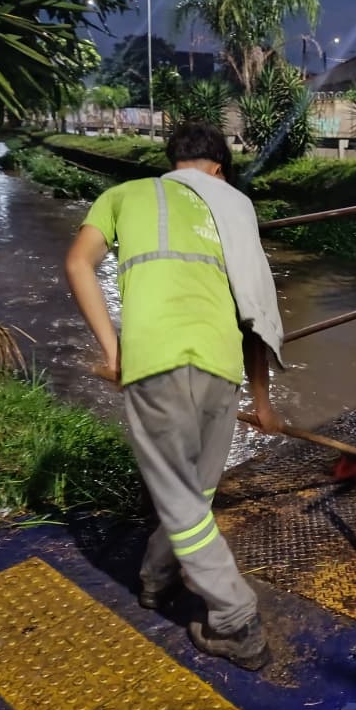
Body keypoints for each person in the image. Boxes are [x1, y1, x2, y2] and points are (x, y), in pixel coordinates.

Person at [65, 121, 284, 671]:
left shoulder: (123, 194)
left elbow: (78, 263)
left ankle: (235, 620)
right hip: (220, 362)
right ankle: (155, 580)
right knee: (194, 494)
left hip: (156, 359)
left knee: (182, 498)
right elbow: (254, 303)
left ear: (174, 161)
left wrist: (114, 351)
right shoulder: (228, 209)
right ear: (217, 168)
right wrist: (261, 399)